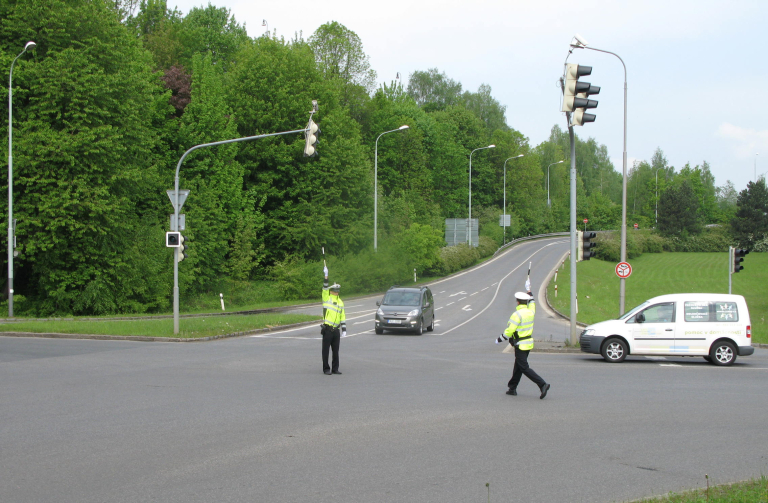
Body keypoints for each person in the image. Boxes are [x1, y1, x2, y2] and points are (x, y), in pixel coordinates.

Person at [496, 279, 550, 399]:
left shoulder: (517, 314)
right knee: (519, 365)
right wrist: (529, 290)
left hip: (520, 344)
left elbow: (509, 330)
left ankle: (542, 384)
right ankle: (512, 387)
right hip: (528, 344)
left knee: (524, 367)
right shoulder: (531, 311)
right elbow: (533, 302)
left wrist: (500, 339)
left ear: (517, 302)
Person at [321, 265, 346, 375]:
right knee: (325, 351)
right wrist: (326, 276)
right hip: (327, 329)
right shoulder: (327, 298)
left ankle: (335, 368)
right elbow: (325, 287)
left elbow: (342, 316)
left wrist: (344, 329)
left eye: (337, 291)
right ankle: (326, 369)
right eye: (334, 291)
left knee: (335, 351)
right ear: (331, 291)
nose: (336, 292)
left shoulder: (340, 302)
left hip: (336, 330)